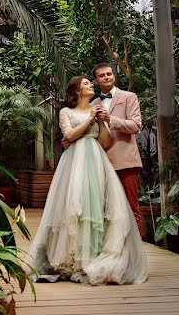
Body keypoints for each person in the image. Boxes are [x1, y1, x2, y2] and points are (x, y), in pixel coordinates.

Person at [25, 76, 149, 285]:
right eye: (86, 84)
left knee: (96, 206)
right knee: (75, 205)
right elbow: (70, 135)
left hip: (96, 160)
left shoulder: (97, 110)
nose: (91, 85)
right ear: (76, 91)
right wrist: (90, 117)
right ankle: (70, 257)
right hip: (74, 162)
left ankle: (92, 255)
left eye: (90, 83)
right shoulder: (66, 112)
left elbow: (105, 141)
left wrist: (100, 122)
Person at [89, 63, 147, 237]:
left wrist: (110, 119)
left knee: (131, 207)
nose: (107, 77)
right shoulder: (93, 104)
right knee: (106, 209)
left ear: (114, 76)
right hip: (102, 163)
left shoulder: (129, 97)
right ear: (96, 80)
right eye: (102, 75)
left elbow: (136, 125)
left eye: (109, 74)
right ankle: (111, 250)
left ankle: (134, 252)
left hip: (126, 161)